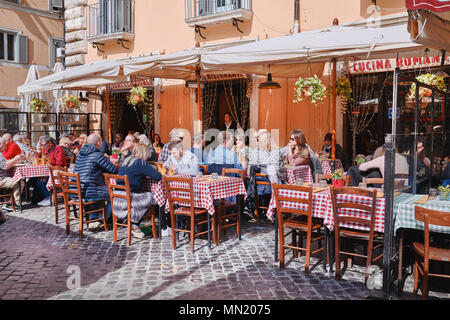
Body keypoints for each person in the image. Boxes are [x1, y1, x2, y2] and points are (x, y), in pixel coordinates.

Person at [114, 142, 162, 239]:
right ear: (144, 153)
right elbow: (158, 176)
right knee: (154, 197)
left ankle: (134, 223)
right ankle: (134, 223)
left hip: (117, 199)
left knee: (144, 194)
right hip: (128, 199)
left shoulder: (126, 160)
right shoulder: (141, 162)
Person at [73, 133, 118, 230]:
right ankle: (102, 220)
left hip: (78, 189)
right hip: (89, 189)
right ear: (98, 143)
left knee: (97, 190)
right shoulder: (97, 155)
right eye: (101, 142)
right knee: (115, 196)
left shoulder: (81, 153)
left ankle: (93, 220)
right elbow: (114, 170)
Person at [30, 136, 67, 206]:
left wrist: (49, 163)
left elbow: (59, 163)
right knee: (32, 179)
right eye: (41, 145)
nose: (42, 147)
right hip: (47, 170)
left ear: (50, 143)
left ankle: (49, 198)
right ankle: (43, 197)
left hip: (58, 170)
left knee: (40, 181)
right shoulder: (45, 149)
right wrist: (36, 156)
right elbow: (40, 158)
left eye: (43, 145)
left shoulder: (58, 148)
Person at [0, 136, 24, 208]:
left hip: (3, 179)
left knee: (9, 180)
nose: (5, 147)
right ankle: (15, 204)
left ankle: (7, 202)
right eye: (4, 145)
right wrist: (15, 159)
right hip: (1, 180)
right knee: (20, 182)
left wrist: (11, 161)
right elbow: (5, 166)